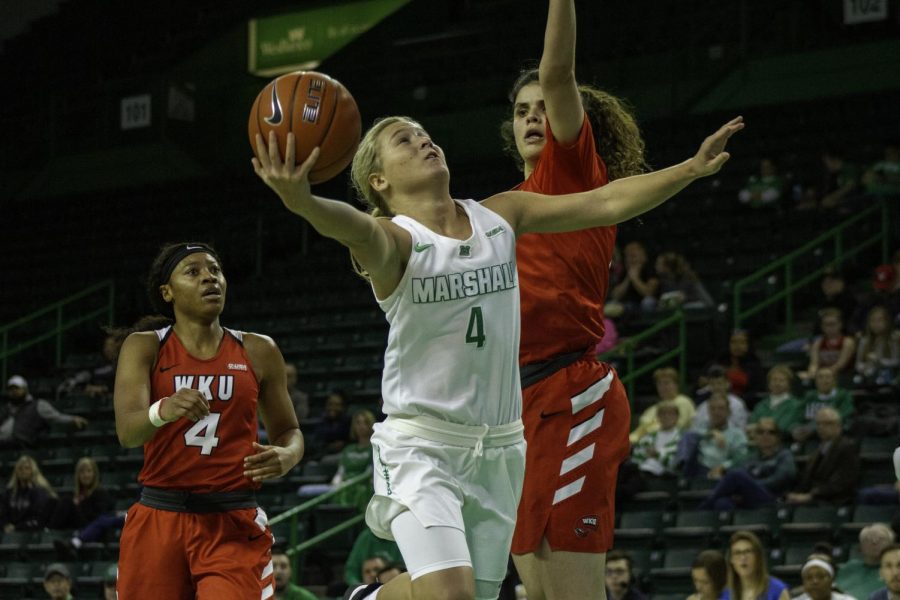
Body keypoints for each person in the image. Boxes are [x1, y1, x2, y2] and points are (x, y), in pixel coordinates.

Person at [252, 46, 743, 600]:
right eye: (403, 140)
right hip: (422, 445)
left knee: (470, 596)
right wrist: (304, 203)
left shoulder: (500, 215)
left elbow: (606, 202)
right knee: (456, 596)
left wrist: (691, 169)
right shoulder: (393, 242)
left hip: (502, 448)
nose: (422, 139)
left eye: (422, 132)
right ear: (380, 182)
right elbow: (352, 228)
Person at [113, 242, 304, 598]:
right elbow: (128, 431)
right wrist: (162, 409)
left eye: (215, 270)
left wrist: (287, 455)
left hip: (231, 520)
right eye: (193, 271)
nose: (209, 278)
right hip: (159, 516)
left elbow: (289, 431)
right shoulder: (144, 346)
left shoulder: (258, 349)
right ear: (166, 292)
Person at [698, 417, 795, 510]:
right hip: (749, 499)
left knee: (736, 475)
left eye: (771, 432)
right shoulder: (751, 458)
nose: (766, 435)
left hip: (773, 499)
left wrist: (749, 486)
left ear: (778, 437)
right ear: (755, 437)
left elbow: (782, 477)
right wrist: (746, 488)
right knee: (722, 502)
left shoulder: (784, 455)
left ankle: (702, 509)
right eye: (761, 432)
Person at [786, 407, 859, 506]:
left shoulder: (847, 447)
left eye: (827, 423)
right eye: (818, 424)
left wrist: (810, 496)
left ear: (838, 425)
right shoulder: (820, 448)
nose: (821, 427)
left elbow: (841, 482)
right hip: (815, 497)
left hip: (833, 500)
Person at [48, 457, 114, 558]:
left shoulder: (101, 493)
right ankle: (49, 533)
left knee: (66, 501)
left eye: (89, 471)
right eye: (82, 472)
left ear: (94, 474)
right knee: (53, 501)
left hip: (91, 529)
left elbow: (99, 519)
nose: (85, 475)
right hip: (76, 527)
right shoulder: (76, 495)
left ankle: (49, 531)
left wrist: (76, 507)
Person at [0, 374, 88, 449]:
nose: (13, 391)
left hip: (24, 447)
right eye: (11, 389)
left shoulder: (38, 405)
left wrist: (72, 419)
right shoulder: (5, 409)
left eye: (17, 388)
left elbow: (56, 417)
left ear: (25, 389)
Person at [682, 393, 748, 480]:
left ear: (728, 412)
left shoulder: (737, 434)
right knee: (689, 440)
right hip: (696, 469)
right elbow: (687, 437)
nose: (716, 412)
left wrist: (723, 466)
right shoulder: (700, 428)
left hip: (722, 472)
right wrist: (711, 433)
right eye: (712, 409)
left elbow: (742, 457)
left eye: (721, 409)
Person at [629, 367, 695, 444]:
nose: (663, 387)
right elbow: (638, 432)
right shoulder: (652, 409)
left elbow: (677, 427)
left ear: (676, 385)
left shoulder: (684, 402)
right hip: (644, 443)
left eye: (666, 383)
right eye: (659, 384)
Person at [835, 524, 897, 600]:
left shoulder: (894, 571)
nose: (874, 542)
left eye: (881, 539)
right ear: (860, 546)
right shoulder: (850, 567)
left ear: (891, 544)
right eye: (868, 539)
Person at [723, 531, 790, 600]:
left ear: (758, 557)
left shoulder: (777, 590)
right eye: (737, 553)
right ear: (731, 560)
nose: (743, 558)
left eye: (748, 551)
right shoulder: (725, 594)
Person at [331, 409, 376, 511]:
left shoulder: (375, 448)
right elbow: (340, 472)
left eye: (365, 423)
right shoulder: (348, 449)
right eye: (358, 423)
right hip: (345, 486)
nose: (361, 426)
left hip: (364, 486)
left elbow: (370, 474)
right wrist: (335, 483)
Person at [793, 369, 854, 443]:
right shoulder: (809, 396)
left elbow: (844, 415)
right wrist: (795, 428)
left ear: (834, 380)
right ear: (816, 381)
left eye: (828, 377)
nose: (824, 380)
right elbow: (797, 415)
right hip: (808, 438)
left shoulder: (843, 395)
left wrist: (813, 428)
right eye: (820, 377)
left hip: (832, 439)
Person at [0, 453, 57, 532]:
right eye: (20, 468)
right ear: (16, 471)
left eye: (27, 468)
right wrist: (5, 525)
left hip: (31, 531)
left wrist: (16, 528)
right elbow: (3, 514)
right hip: (9, 532)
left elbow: (38, 518)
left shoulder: (40, 491)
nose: (23, 471)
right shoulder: (9, 492)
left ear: (33, 471)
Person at [799, 309, 857, 383]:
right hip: (822, 378)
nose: (829, 328)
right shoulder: (818, 343)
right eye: (826, 324)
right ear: (822, 327)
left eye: (832, 324)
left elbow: (840, 365)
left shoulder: (847, 342)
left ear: (840, 324)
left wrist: (822, 375)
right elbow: (814, 364)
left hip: (843, 378)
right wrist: (811, 374)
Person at [748, 366, 802, 441]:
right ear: (769, 384)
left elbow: (782, 427)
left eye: (781, 380)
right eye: (774, 380)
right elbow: (751, 425)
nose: (777, 383)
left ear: (789, 384)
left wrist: (760, 428)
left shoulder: (795, 405)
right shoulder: (761, 404)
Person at [631, 400, 683, 478]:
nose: (666, 417)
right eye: (663, 414)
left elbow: (675, 462)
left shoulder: (681, 437)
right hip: (643, 471)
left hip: (667, 475)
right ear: (658, 417)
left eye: (670, 414)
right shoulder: (650, 436)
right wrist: (647, 455)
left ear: (677, 417)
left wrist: (657, 454)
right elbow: (636, 457)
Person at [853, 305, 899, 388]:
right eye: (873, 321)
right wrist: (864, 367)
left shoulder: (893, 339)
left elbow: (896, 361)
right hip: (869, 374)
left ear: (887, 322)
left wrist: (879, 361)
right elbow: (858, 364)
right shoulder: (864, 340)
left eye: (880, 321)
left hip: (889, 375)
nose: (876, 324)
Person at [693, 365, 749, 432]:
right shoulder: (702, 407)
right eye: (713, 384)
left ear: (727, 384)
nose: (716, 387)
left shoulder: (737, 405)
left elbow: (741, 430)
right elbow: (696, 430)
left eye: (719, 383)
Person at [610, 241, 659, 314]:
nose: (630, 259)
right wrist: (628, 278)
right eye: (628, 256)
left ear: (643, 256)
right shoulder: (625, 272)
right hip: (629, 305)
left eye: (633, 256)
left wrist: (635, 279)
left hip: (649, 306)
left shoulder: (650, 269)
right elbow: (615, 296)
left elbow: (648, 293)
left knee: (648, 302)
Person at [717, 329, 765, 399]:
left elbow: (758, 392)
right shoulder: (719, 362)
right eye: (733, 342)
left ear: (748, 345)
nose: (737, 346)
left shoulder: (755, 366)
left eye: (742, 342)